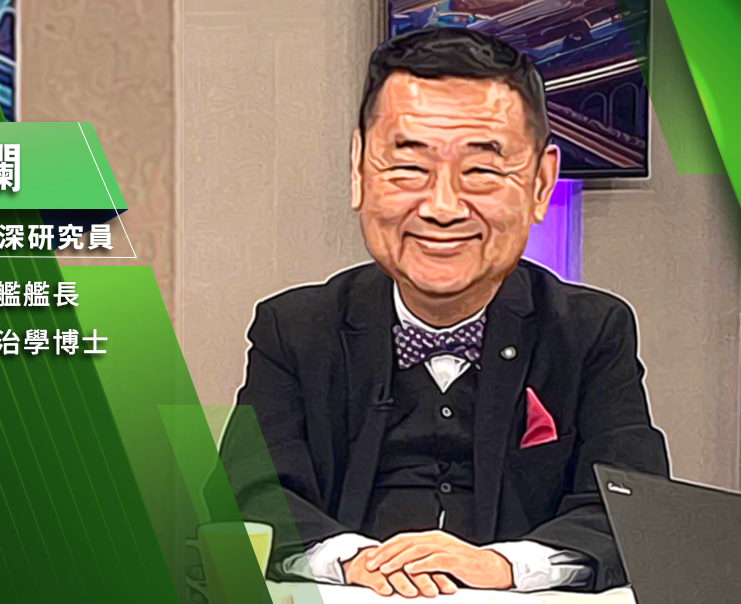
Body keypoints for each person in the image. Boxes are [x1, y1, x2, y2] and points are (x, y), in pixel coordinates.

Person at [215, 28, 669, 598]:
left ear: (540, 184)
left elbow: (632, 508)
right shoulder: (296, 328)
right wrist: (355, 559)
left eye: (481, 171)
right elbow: (248, 496)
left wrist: (503, 566)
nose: (443, 208)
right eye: (409, 167)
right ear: (358, 171)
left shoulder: (590, 332)